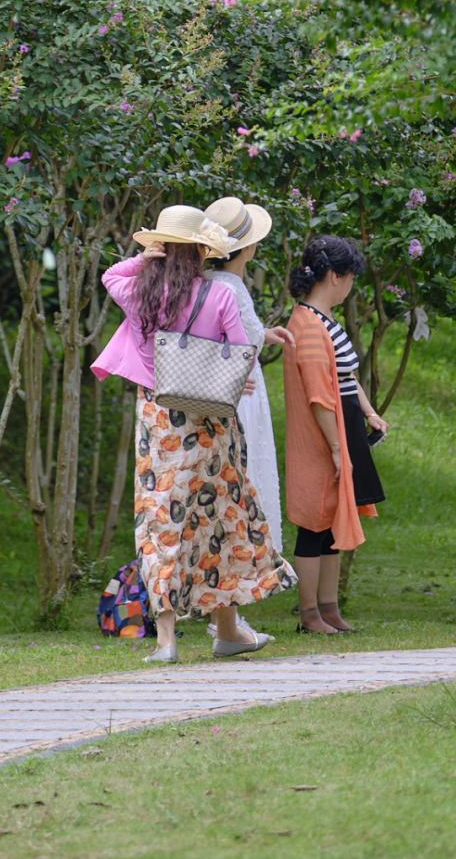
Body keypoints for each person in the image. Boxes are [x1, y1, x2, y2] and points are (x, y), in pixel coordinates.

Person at [92, 203, 296, 663]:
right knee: (220, 518)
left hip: (160, 421)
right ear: (205, 250)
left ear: (164, 246)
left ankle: (167, 640)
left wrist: (150, 257)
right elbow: (240, 352)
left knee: (162, 520)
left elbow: (110, 274)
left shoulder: (140, 293)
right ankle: (227, 629)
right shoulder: (219, 295)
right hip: (210, 423)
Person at [283, 234, 387, 634]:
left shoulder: (322, 322)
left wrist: (368, 411)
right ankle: (310, 614)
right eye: (350, 276)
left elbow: (344, 378)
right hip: (321, 438)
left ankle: (328, 609)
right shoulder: (309, 326)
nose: (351, 285)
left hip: (341, 431)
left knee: (329, 522)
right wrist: (336, 448)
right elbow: (319, 398)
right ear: (335, 277)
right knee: (313, 524)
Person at [201, 195, 293, 643]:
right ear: (248, 247)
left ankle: (230, 616)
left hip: (235, 392)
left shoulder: (215, 282)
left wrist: (263, 334)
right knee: (242, 493)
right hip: (240, 397)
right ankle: (229, 619)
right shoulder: (229, 286)